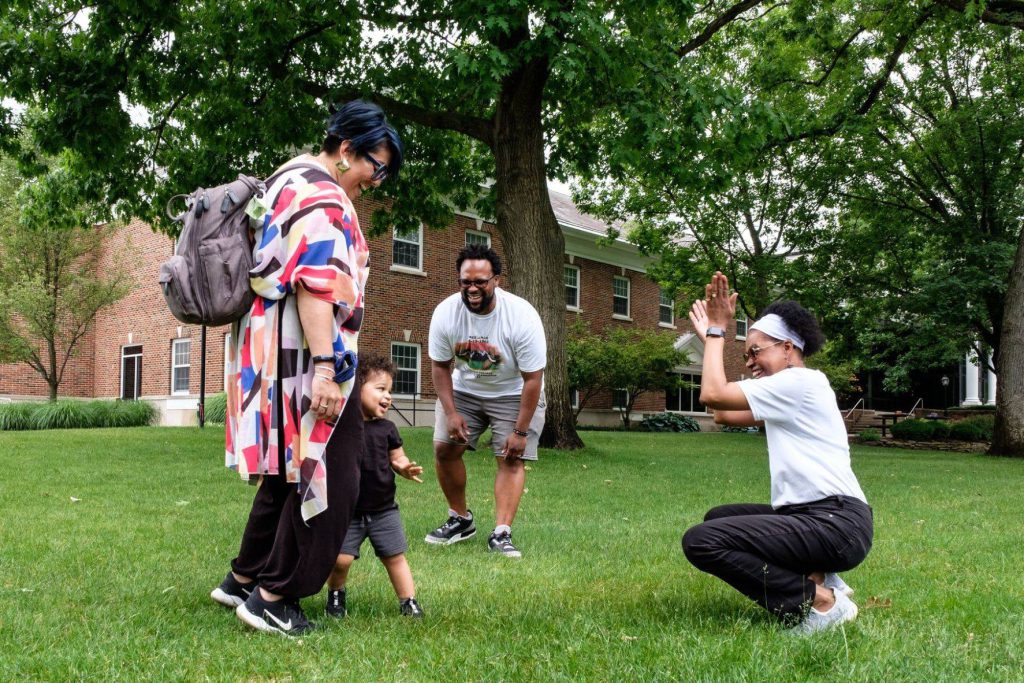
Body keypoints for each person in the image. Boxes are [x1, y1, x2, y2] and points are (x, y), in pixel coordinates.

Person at [210, 100, 403, 637]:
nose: (377, 180)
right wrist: (326, 368)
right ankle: (274, 596)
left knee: (287, 472)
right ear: (346, 149)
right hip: (304, 353)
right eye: (376, 166)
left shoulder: (284, 180)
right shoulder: (324, 196)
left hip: (267, 353)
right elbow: (317, 289)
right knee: (331, 474)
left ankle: (242, 579)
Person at [681, 271, 873, 635]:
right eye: (746, 354)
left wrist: (717, 331)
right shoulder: (790, 388)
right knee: (716, 519)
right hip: (827, 520)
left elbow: (712, 395)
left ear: (788, 348)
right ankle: (819, 575)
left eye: (756, 351)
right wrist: (712, 338)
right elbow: (723, 413)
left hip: (836, 523)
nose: (751, 361)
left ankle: (821, 602)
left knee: (701, 541)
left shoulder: (799, 382)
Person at [424, 244, 546, 558]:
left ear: (496, 281)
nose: (473, 288)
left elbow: (533, 379)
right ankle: (460, 519)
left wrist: (520, 433)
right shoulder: (446, 312)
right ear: (459, 281)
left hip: (514, 390)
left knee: (510, 457)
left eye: (481, 281)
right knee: (444, 449)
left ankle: (501, 533)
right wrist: (451, 413)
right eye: (466, 281)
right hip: (465, 389)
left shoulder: (521, 316)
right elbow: (440, 366)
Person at [324, 354, 425, 619]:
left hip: (383, 510)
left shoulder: (387, 428)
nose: (388, 396)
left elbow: (397, 456)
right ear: (357, 389)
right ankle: (336, 593)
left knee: (395, 557)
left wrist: (403, 466)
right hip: (350, 511)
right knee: (341, 559)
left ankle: (409, 601)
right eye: (380, 389)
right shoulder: (342, 426)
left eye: (389, 391)